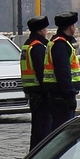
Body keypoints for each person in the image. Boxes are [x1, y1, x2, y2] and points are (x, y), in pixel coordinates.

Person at [43, 11, 80, 132]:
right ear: (70, 27)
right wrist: (69, 94)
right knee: (64, 131)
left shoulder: (57, 42)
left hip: (58, 94)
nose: (75, 28)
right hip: (61, 96)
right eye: (74, 25)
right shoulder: (60, 44)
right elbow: (63, 72)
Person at [21, 15, 52, 151]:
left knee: (37, 128)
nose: (46, 31)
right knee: (43, 129)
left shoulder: (27, 45)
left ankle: (34, 153)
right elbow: (41, 72)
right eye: (45, 28)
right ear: (40, 30)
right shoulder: (37, 47)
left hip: (32, 91)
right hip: (40, 92)